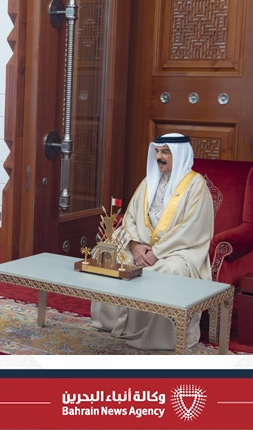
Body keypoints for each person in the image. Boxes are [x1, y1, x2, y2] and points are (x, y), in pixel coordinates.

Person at [90, 133, 214, 350]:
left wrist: (157, 252)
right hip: (140, 245)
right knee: (106, 256)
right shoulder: (149, 181)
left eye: (165, 152)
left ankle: (154, 336)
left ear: (180, 154)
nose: (159, 157)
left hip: (178, 250)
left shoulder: (196, 185)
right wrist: (135, 245)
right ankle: (112, 323)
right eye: (157, 151)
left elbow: (192, 228)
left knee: (168, 271)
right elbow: (130, 216)